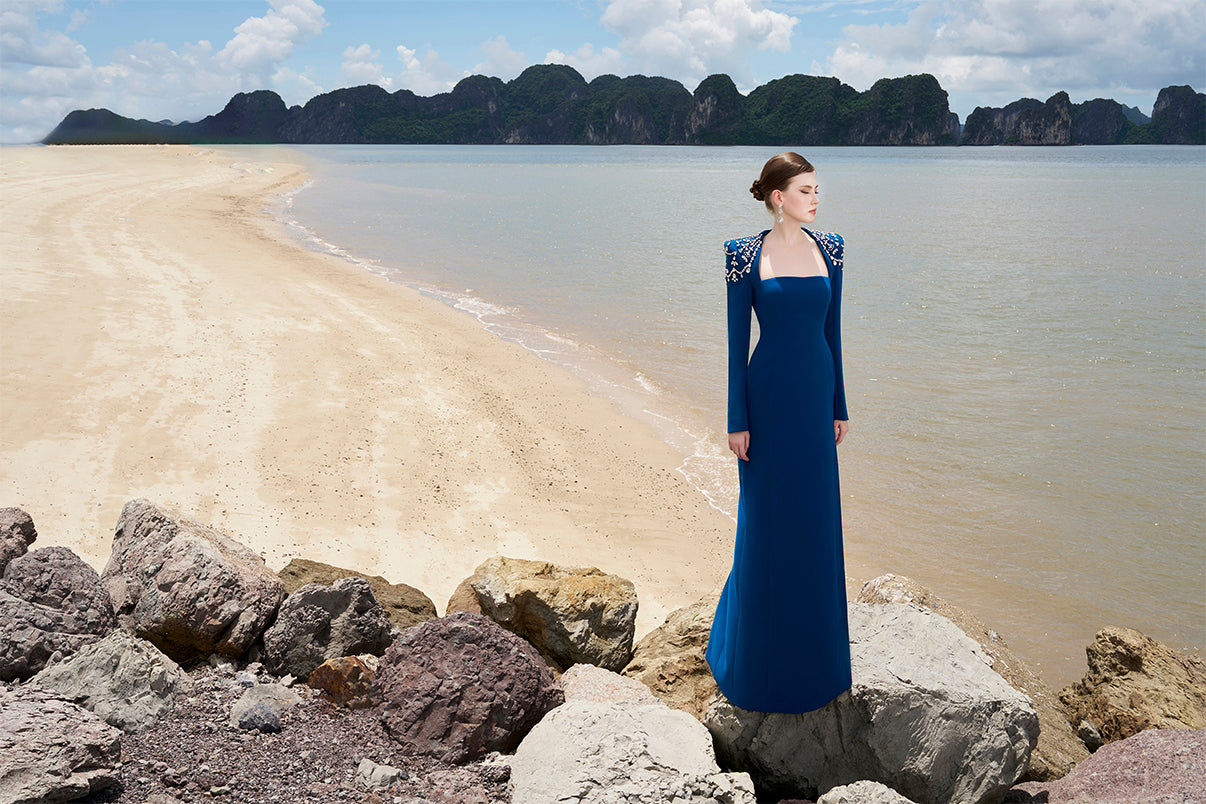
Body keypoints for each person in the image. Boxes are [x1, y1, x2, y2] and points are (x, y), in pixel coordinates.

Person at [704, 152, 852, 713]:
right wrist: (736, 419)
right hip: (766, 404)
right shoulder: (744, 255)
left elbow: (834, 334)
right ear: (778, 197)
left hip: (815, 402)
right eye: (805, 190)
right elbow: (735, 343)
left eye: (817, 190)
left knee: (815, 521)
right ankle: (754, 666)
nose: (815, 199)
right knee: (765, 524)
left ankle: (819, 664)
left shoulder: (831, 249)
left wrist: (839, 406)